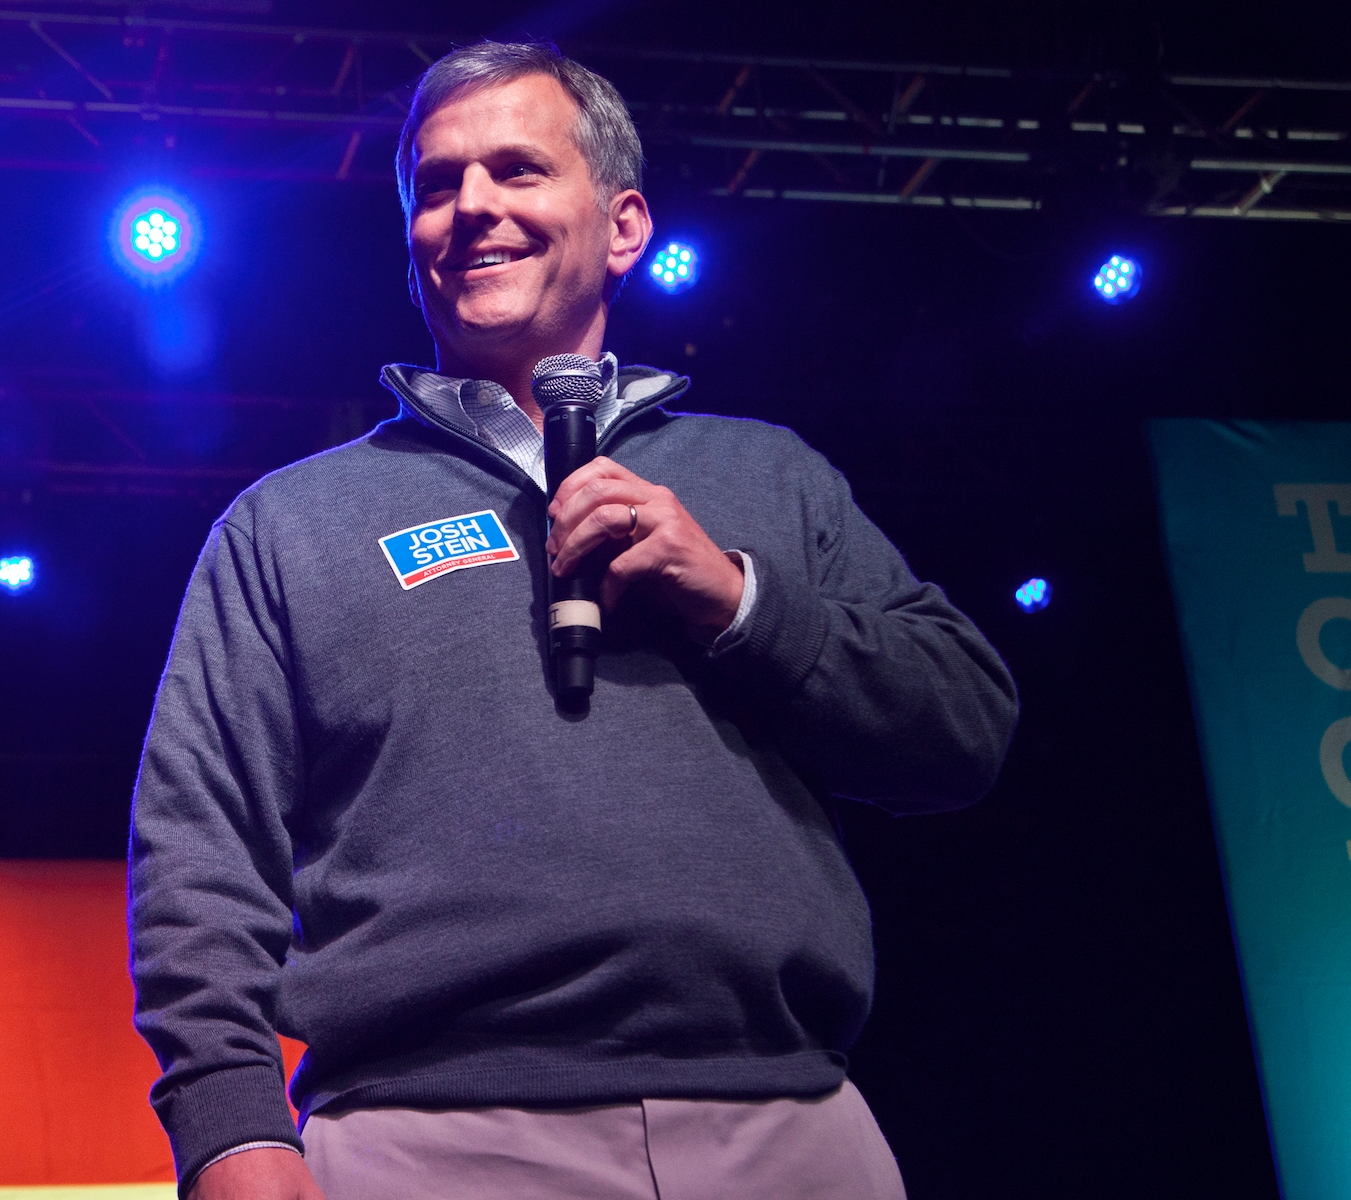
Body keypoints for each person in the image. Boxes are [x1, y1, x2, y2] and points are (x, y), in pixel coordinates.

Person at [127, 40, 1017, 1200]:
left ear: (626, 225)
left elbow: (963, 731)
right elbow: (197, 849)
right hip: (424, 1138)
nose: (471, 208)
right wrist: (231, 1130)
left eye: (516, 170)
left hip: (790, 1126)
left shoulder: (769, 477)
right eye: (436, 185)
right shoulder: (290, 523)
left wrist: (736, 596)